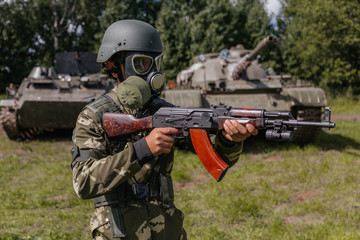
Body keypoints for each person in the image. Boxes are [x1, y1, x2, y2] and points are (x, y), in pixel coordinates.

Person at [71, 19, 258, 240]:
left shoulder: (165, 111)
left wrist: (229, 139)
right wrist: (143, 149)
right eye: (141, 64)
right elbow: (83, 182)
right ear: (114, 65)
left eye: (155, 63)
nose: (152, 73)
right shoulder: (95, 116)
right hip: (118, 230)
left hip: (166, 229)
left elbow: (217, 155)